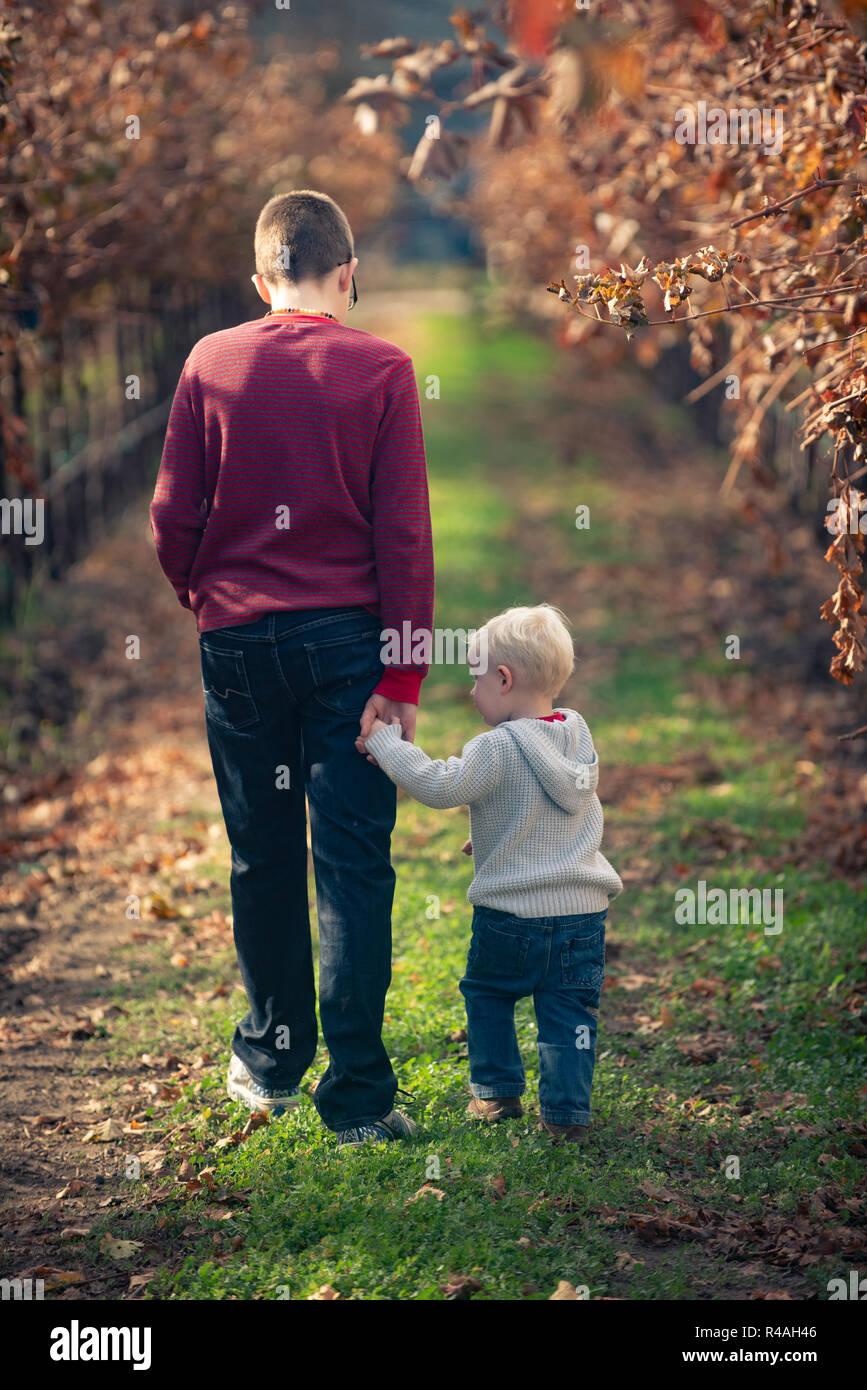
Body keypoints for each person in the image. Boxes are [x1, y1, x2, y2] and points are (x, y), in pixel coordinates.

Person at [150, 190, 434, 1147]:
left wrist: (209, 597)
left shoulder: (209, 362)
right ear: (347, 274)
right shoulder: (383, 369)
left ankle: (271, 1060)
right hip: (348, 647)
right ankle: (356, 1095)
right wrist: (400, 681)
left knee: (260, 854)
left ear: (259, 278)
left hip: (237, 645)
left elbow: (171, 520)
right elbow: (404, 541)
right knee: (354, 864)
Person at [361, 604, 623, 1143]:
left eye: (476, 680)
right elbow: (551, 811)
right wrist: (495, 840)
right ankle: (567, 1116)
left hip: (511, 917)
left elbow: (438, 786)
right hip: (582, 916)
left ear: (504, 680)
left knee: (487, 995)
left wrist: (388, 744)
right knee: (569, 1012)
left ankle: (498, 1092)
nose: (472, 692)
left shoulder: (497, 747)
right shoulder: (576, 736)